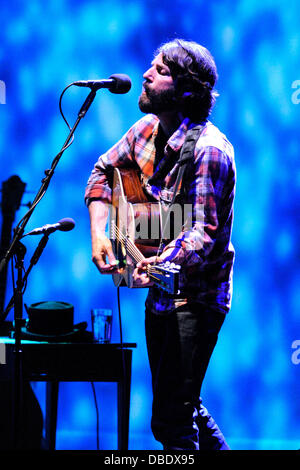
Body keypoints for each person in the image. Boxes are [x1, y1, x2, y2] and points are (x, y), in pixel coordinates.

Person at [85, 38, 235, 450]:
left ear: (188, 91)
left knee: (171, 421)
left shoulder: (209, 151)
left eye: (162, 71)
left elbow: (202, 233)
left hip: (198, 299)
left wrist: (151, 267)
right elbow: (102, 171)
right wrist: (101, 233)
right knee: (182, 409)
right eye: (151, 65)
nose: (146, 75)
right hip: (162, 296)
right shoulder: (146, 131)